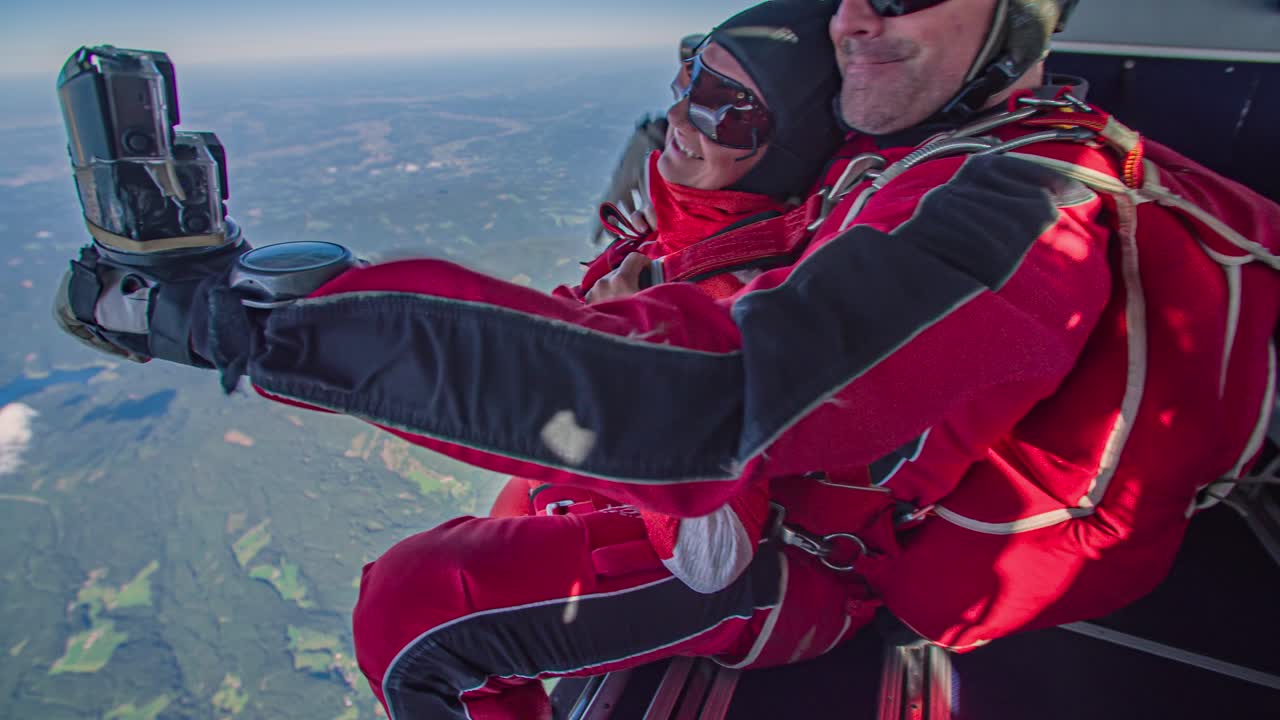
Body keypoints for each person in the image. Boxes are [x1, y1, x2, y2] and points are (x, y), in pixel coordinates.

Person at [54, 0, 1280, 718]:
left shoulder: (1021, 206)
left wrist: (255, 323)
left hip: (815, 554)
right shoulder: (897, 164)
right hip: (779, 493)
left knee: (416, 615)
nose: (857, 16)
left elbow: (706, 398)